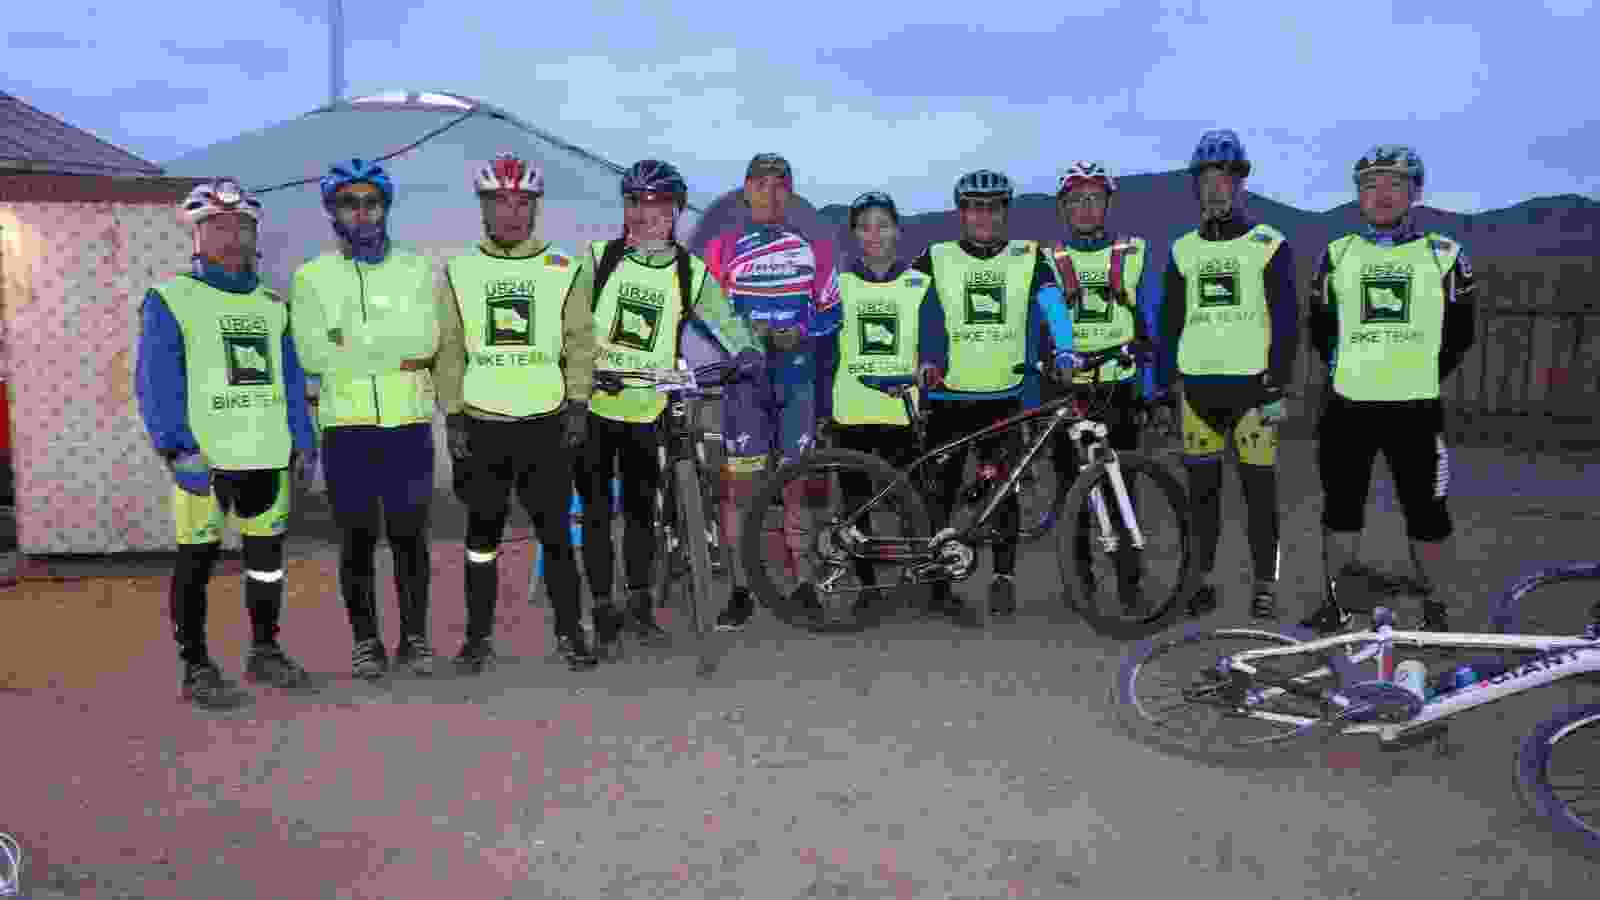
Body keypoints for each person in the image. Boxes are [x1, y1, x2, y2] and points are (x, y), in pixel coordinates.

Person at [136, 178, 318, 708]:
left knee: (267, 562)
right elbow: (156, 381)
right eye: (217, 226)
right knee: (196, 565)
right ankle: (196, 665)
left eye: (242, 226)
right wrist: (176, 448)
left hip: (268, 456)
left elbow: (289, 379)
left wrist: (303, 440)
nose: (232, 237)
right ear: (196, 234)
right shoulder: (170, 299)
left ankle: (265, 650)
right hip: (205, 462)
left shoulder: (272, 303)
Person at [577, 159, 761, 654]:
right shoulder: (600, 259)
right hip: (595, 405)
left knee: (642, 513)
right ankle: (602, 609)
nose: (645, 214)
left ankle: (639, 607)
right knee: (596, 513)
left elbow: (725, 318)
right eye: (635, 203)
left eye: (657, 204)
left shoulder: (687, 270)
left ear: (675, 210)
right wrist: (584, 369)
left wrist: (747, 350)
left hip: (649, 405)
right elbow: (568, 325)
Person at [1298, 146, 1477, 634]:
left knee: (1427, 513)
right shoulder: (1337, 254)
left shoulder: (1445, 255)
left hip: (1416, 409)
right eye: (1370, 185)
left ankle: (1436, 608)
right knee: (1340, 509)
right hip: (1347, 406)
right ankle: (1337, 604)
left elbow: (1460, 333)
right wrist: (1354, 369)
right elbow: (1321, 328)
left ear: (1415, 192)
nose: (1382, 194)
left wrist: (1415, 372)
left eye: (1395, 184)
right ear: (1358, 194)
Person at [434, 153, 600, 672]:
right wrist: (453, 414)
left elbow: (580, 343)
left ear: (536, 207)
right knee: (481, 539)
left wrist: (578, 404)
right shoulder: (459, 270)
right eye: (500, 202)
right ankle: (476, 640)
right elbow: (450, 349)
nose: (511, 213)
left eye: (522, 202)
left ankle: (571, 633)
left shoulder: (564, 269)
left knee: (556, 536)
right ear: (483, 207)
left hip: (546, 426)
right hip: (481, 426)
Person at [290, 158, 443, 679]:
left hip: (408, 423)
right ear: (332, 212)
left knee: (409, 537)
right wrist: (389, 350)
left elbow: (426, 341)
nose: (361, 213)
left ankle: (415, 639)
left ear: (385, 208)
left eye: (371, 203)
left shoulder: (417, 269)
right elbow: (312, 354)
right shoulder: (311, 277)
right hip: (347, 428)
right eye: (349, 204)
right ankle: (366, 642)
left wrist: (349, 343)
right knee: (356, 541)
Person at [911, 169, 1079, 625]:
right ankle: (940, 583)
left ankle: (1003, 577)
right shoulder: (935, 256)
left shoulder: (1029, 256)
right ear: (961, 213)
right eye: (975, 208)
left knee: (1005, 492)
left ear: (1006, 211)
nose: (984, 216)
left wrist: (1065, 348)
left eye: (993, 207)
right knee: (939, 493)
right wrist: (922, 357)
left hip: (1005, 396)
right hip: (947, 396)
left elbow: (1053, 305)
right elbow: (910, 308)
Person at [1154, 129, 1300, 622]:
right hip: (1197, 391)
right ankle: (1200, 582)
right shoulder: (1182, 250)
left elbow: (1286, 321)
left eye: (1226, 179)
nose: (1216, 189)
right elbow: (1170, 321)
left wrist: (1278, 384)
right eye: (1207, 180)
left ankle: (1265, 584)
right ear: (1196, 187)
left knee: (1260, 495)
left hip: (1254, 392)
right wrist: (1162, 386)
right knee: (1202, 498)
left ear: (1241, 184)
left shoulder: (1269, 244)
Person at [704, 153, 841, 631]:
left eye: (780, 185)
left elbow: (832, 312)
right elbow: (705, 314)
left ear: (791, 192)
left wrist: (800, 331)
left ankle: (804, 586)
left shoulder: (814, 246)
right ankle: (741, 590)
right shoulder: (722, 247)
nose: (771, 193)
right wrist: (746, 336)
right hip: (746, 382)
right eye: (761, 184)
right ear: (746, 190)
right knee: (741, 490)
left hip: (796, 378)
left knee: (796, 488)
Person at [1040, 161, 1164, 611]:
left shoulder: (1136, 252)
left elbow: (1151, 319)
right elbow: (1039, 323)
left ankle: (1130, 585)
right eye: (1076, 199)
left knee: (1121, 488)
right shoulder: (1047, 258)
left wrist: (1151, 387)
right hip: (1067, 391)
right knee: (1070, 490)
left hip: (1119, 386)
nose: (1086, 207)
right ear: (1063, 207)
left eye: (1095, 198)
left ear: (1109, 203)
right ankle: (1081, 584)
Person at [814, 191, 925, 613]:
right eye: (864, 227)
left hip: (902, 413)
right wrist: (821, 409)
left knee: (911, 505)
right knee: (856, 510)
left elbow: (933, 346)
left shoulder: (920, 284)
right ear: (854, 235)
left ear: (898, 230)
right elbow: (825, 353)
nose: (874, 235)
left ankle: (920, 583)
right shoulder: (839, 286)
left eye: (883, 225)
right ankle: (867, 588)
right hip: (851, 411)